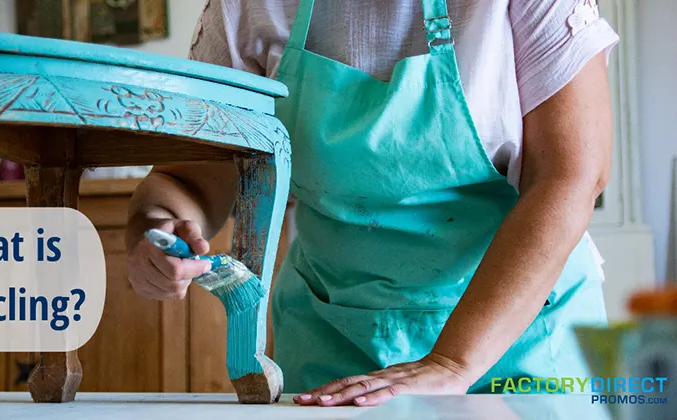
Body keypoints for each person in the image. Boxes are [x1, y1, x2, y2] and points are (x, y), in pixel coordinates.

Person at [125, 0, 619, 407]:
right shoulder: (247, 7)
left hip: (519, 333)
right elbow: (187, 177)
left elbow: (572, 175)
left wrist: (452, 362)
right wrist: (159, 227)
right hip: (335, 334)